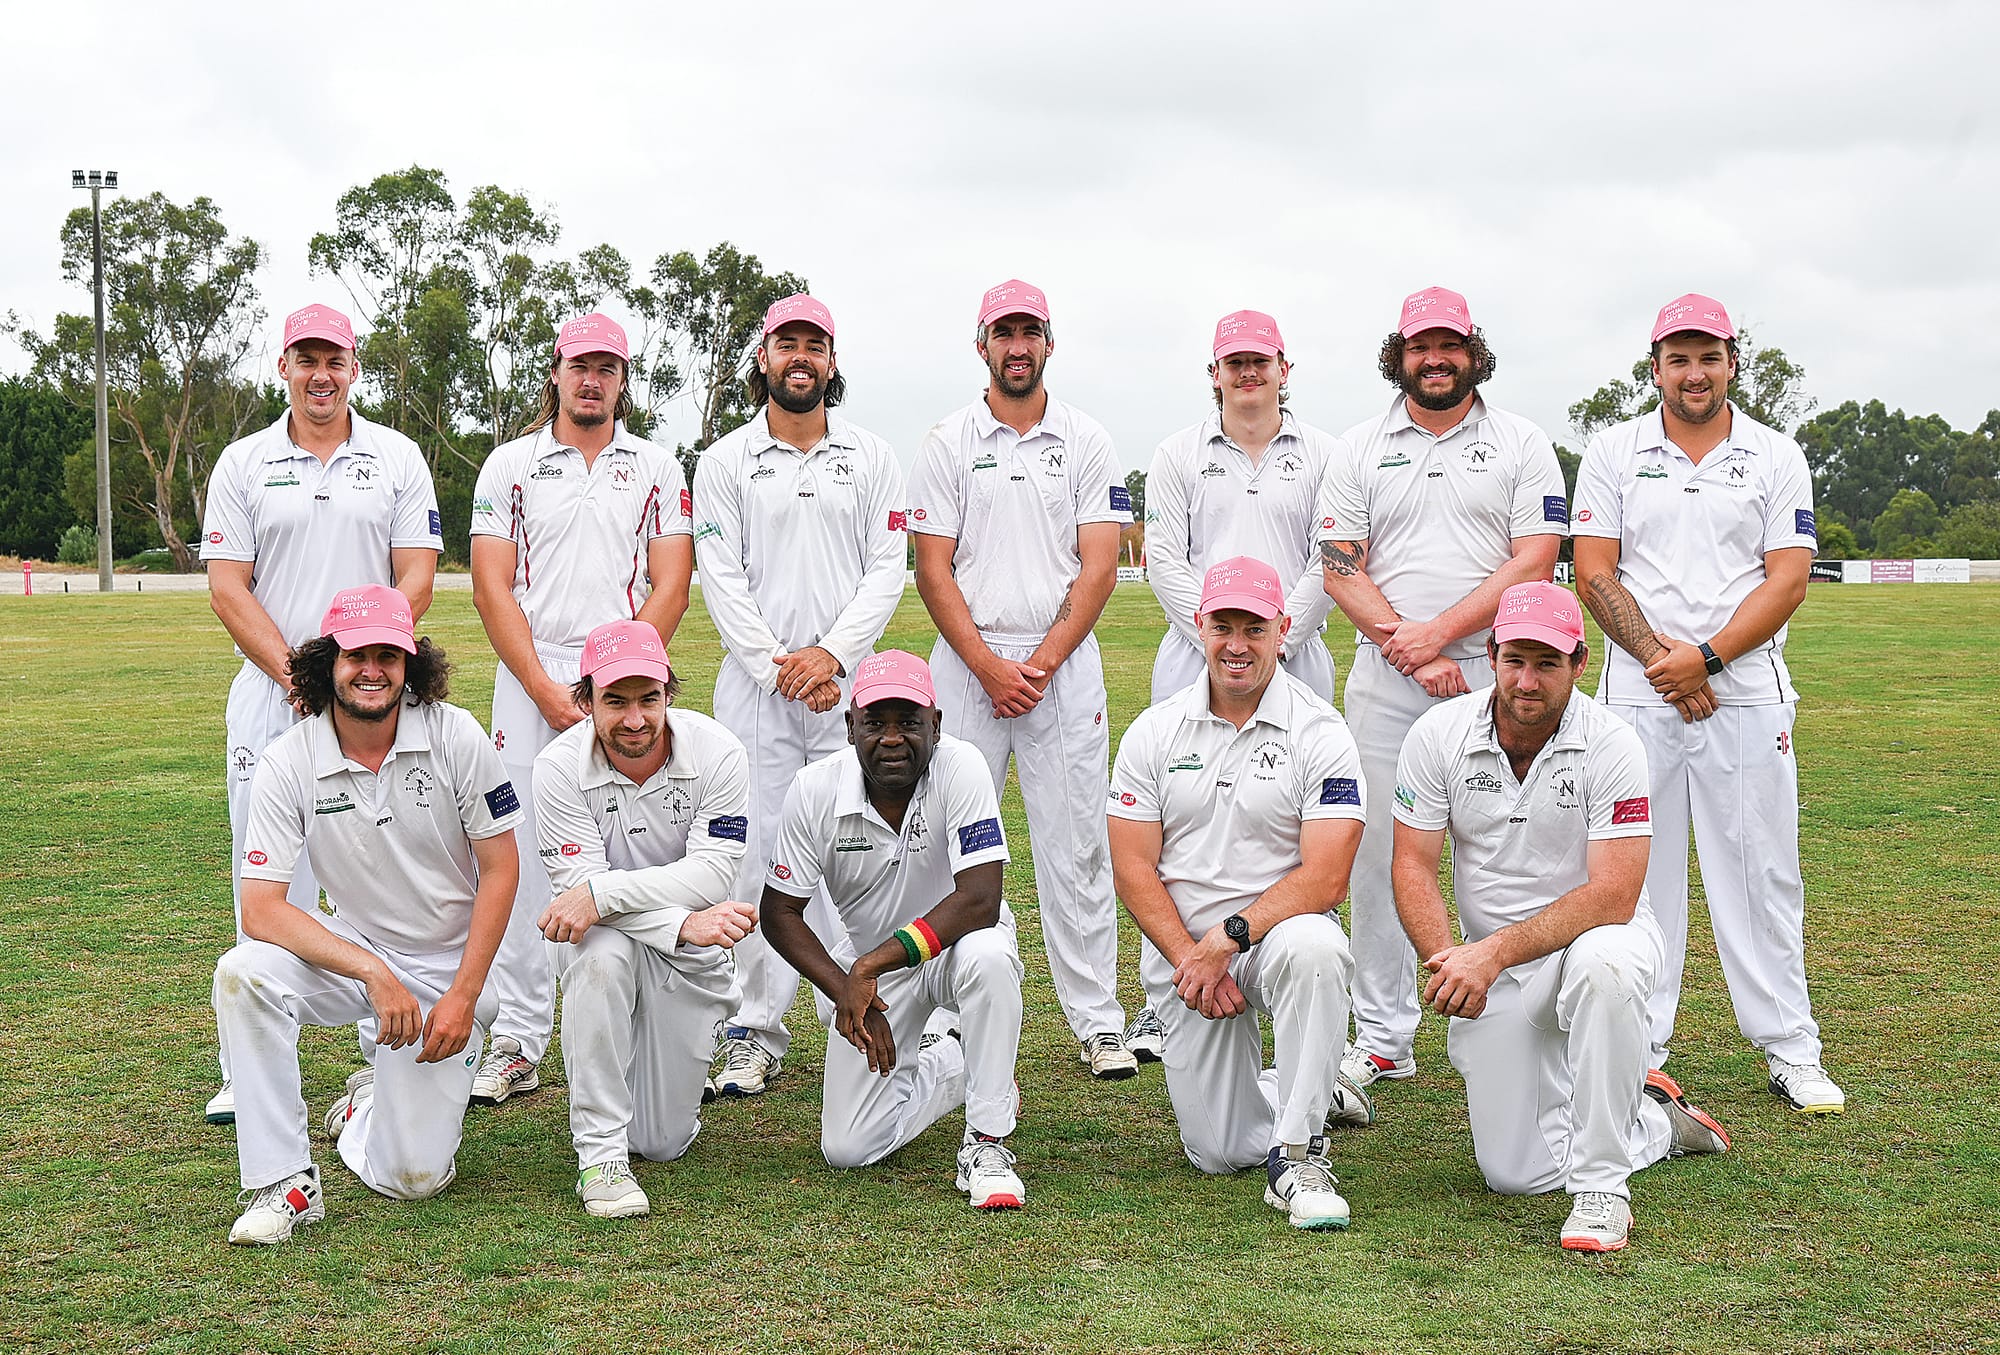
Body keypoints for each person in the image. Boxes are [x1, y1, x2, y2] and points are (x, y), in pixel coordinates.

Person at [1391, 581, 1731, 1254]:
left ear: (1580, 664)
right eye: (1515, 658)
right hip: (1495, 966)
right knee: (1514, 1174)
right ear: (1490, 654)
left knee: (1606, 964)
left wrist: (1490, 954)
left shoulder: (1613, 742)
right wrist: (1450, 960)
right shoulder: (1437, 735)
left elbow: (1615, 895)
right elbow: (1411, 866)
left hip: (1598, 937)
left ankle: (1604, 1187)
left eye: (1547, 663)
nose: (1527, 679)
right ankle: (1656, 1121)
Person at [1571, 294, 1841, 1114]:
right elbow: (1593, 571)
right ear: (1655, 367)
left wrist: (1708, 658)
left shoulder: (1773, 453)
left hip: (1747, 692)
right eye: (1678, 358)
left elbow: (1787, 577)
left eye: (1710, 356)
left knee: (1761, 870)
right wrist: (1664, 662)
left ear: (1732, 362)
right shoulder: (1614, 449)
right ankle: (1641, 1050)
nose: (1695, 372)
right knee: (1636, 879)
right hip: (1638, 695)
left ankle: (1790, 1045)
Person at [212, 585, 519, 1244]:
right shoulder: (289, 758)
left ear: (412, 664)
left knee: (414, 1177)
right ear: (327, 663)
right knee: (243, 973)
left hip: (447, 967)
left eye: (390, 654)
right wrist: (373, 972)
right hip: (357, 952)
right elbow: (261, 908)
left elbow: (501, 868)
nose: (372, 669)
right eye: (356, 654)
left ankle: (366, 1107)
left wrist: (465, 993)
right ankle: (286, 1180)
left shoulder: (456, 734)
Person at [1316, 286, 1566, 1095]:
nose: (1435, 359)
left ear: (1472, 351)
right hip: (1389, 682)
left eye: (1449, 345)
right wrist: (1410, 646)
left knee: (1513, 848)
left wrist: (1441, 634)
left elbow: (1535, 556)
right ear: (1400, 353)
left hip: (1503, 675)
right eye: (1421, 346)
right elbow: (1340, 564)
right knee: (1383, 853)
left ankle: (1523, 1004)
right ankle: (1386, 1033)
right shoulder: (1358, 445)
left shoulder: (1522, 442)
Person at [200, 301, 444, 1124]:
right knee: (268, 875)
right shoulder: (243, 461)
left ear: (353, 365)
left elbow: (415, 574)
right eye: (306, 359)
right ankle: (248, 1058)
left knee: (384, 872)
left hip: (374, 696)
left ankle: (383, 1045)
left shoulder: (397, 457)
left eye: (334, 358)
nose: (321, 374)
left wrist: (359, 663)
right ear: (284, 367)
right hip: (274, 700)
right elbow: (228, 587)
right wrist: (299, 674)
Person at [909, 278, 1136, 1082]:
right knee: (947, 846)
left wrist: (1035, 665)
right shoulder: (946, 440)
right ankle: (945, 1013)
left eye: (1029, 331)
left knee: (1075, 847)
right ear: (982, 345)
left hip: (1059, 669)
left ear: (1048, 342)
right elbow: (932, 567)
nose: (1016, 345)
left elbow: (1100, 564)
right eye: (1002, 332)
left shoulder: (1085, 438)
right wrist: (987, 665)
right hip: (970, 669)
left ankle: (1097, 1020)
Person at [466, 311, 695, 1108]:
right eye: (579, 365)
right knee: (524, 859)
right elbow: (492, 584)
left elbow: (672, 581)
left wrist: (618, 683)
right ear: (556, 372)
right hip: (531, 680)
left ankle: (641, 1030)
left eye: (607, 366)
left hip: (624, 682)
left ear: (624, 379)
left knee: (630, 851)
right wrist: (541, 686)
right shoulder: (511, 464)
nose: (592, 379)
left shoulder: (658, 466)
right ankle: (521, 1038)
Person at [1108, 556, 1374, 1232]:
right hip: (1188, 959)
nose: (1236, 644)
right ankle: (1310, 1087)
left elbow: (1326, 876)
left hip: (1272, 938)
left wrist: (1226, 939)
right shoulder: (1154, 729)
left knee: (1318, 945)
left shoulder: (1321, 731)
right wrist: (1188, 954)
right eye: (1222, 625)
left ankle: (1300, 1154)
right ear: (1198, 626)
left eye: (1254, 628)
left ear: (1283, 629)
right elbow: (1133, 866)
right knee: (1220, 1152)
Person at [692, 293, 906, 1097]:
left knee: (863, 848)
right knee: (755, 861)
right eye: (787, 343)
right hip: (758, 695)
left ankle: (869, 1003)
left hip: (853, 693)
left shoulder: (873, 456)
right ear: (764, 358)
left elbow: (889, 566)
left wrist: (832, 657)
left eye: (815, 344)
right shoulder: (724, 462)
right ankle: (754, 1026)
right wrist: (779, 665)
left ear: (832, 361)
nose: (801, 357)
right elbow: (722, 574)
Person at [759, 651, 1028, 1209]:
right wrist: (847, 987)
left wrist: (871, 964)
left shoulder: (963, 765)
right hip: (877, 976)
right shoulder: (814, 789)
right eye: (875, 723)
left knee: (989, 955)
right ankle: (953, 1067)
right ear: (849, 725)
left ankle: (988, 1141)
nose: (891, 738)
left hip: (952, 950)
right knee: (849, 1147)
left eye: (908, 722)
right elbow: (779, 913)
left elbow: (980, 899)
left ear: (936, 724)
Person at [532, 619, 755, 1218]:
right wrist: (680, 923)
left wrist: (602, 895)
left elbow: (712, 876)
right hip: (629, 939)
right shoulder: (557, 768)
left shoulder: (719, 753)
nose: (635, 719)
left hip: (690, 956)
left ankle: (647, 1098)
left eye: (648, 699)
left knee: (661, 1142)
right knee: (599, 953)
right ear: (585, 701)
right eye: (615, 701)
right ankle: (599, 1156)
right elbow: (573, 907)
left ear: (669, 695)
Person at [1144, 310, 1346, 705]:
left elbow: (1330, 558)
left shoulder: (1328, 455)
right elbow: (1166, 562)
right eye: (1234, 362)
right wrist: (1216, 636)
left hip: (1296, 652)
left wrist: (1278, 638)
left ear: (1283, 370)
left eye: (1260, 361)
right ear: (1215, 373)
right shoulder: (1175, 454)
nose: (1247, 372)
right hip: (1194, 654)